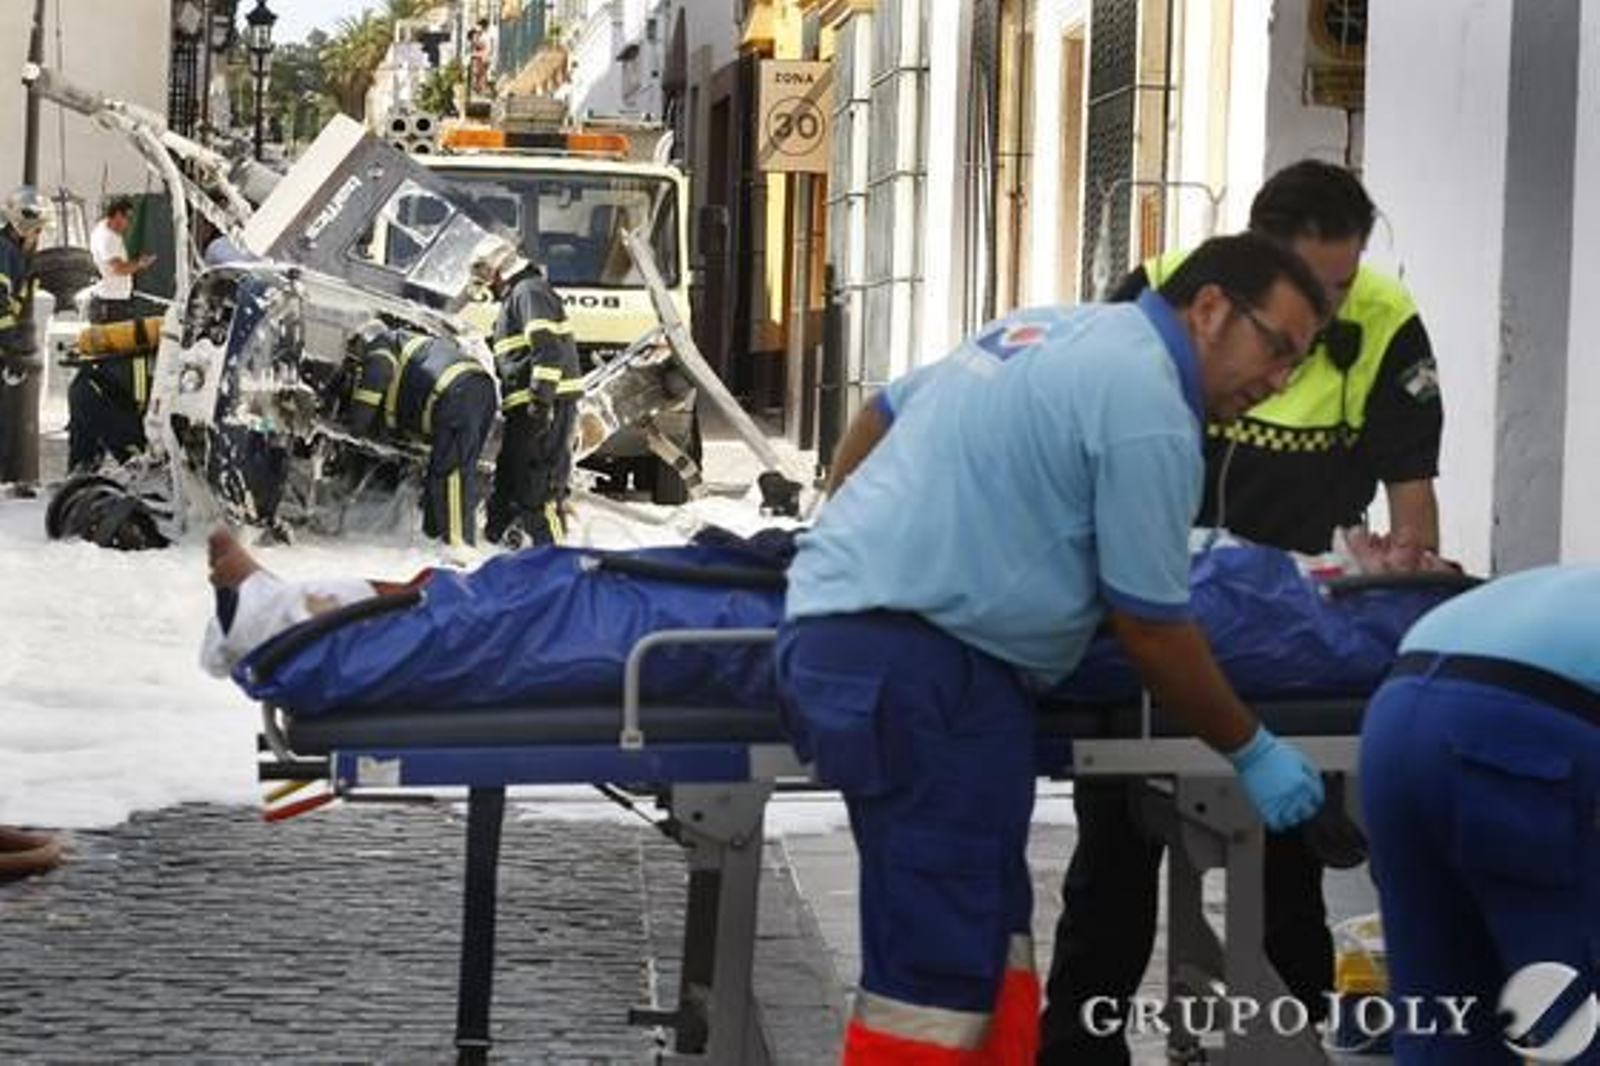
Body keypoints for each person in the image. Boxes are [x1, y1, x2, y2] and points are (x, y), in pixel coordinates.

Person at [777, 232, 1330, 1063]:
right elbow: (1151, 626)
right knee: (932, 982)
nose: (1280, 379)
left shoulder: (1050, 329)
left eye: (1298, 363)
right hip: (930, 668)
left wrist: (848, 537)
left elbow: (880, 411)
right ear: (1210, 308)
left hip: (888, 649)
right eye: (1277, 347)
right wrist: (1249, 747)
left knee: (988, 935)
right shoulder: (1151, 409)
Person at [1040, 159, 1447, 1063]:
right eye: (1307, 288)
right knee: (1113, 862)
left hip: (1288, 646)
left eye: (1340, 285)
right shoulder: (1169, 290)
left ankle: (1288, 1038)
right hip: (1156, 622)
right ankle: (1079, 1047)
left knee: (1288, 876)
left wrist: (1402, 603)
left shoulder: (1382, 323)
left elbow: (1412, 499)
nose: (1324, 311)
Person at [1360, 565, 1600, 1063]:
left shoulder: (1572, 582)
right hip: (1525, 729)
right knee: (1578, 1018)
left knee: (1445, 1016)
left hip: (1396, 712)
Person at [341, 320, 497, 552]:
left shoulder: (382, 346)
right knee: (451, 469)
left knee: (450, 474)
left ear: (363, 340)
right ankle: (439, 538)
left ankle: (459, 548)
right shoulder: (409, 343)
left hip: (457, 394)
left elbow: (374, 383)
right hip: (479, 391)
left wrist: (356, 427)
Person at [478, 250, 582, 548]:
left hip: (543, 406)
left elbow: (547, 350)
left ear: (498, 272)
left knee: (538, 487)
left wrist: (540, 402)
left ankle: (556, 559)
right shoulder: (520, 295)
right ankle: (493, 551)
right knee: (509, 482)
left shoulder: (528, 292)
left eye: (486, 277)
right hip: (526, 408)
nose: (487, 286)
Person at [88, 195, 157, 324]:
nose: (129, 223)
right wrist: (141, 263)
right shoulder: (107, 237)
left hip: (112, 302)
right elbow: (119, 269)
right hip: (111, 305)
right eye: (128, 218)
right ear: (118, 214)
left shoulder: (107, 232)